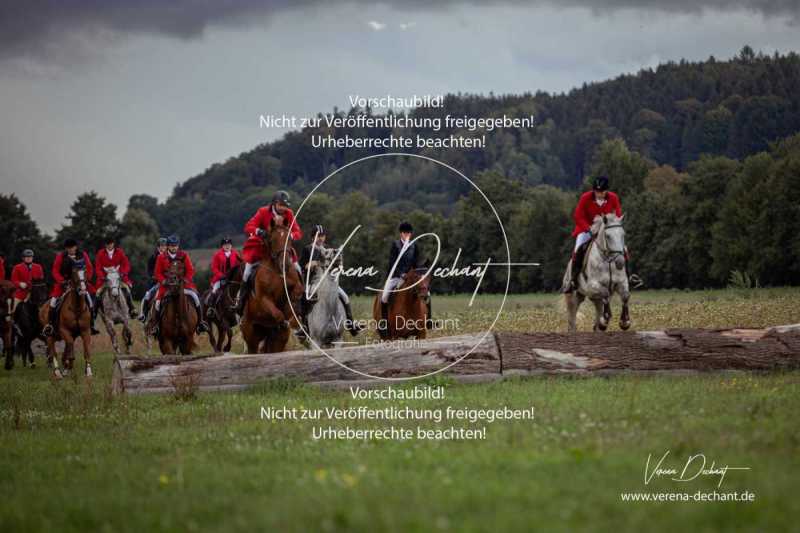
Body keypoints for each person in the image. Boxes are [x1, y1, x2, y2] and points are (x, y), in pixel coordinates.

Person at [233, 190, 303, 315]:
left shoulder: (289, 213)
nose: (284, 209)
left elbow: (298, 232)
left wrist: (290, 235)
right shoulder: (263, 212)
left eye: (285, 206)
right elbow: (248, 227)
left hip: (282, 251)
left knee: (297, 268)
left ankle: (304, 298)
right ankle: (240, 302)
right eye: (281, 205)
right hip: (262, 249)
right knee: (247, 272)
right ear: (275, 203)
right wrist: (259, 231)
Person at [563, 175, 623, 293]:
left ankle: (629, 277)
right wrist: (588, 229)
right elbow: (578, 216)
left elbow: (618, 214)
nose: (599, 194)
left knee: (622, 249)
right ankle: (573, 280)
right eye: (597, 191)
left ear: (607, 191)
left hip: (606, 230)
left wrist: (613, 226)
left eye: (602, 192)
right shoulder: (585, 197)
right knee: (578, 249)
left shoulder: (613, 198)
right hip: (587, 229)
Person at [299, 225, 361, 337]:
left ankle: (351, 324)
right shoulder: (307, 249)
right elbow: (302, 267)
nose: (321, 239)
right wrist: (311, 264)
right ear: (313, 237)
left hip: (328, 281)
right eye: (318, 236)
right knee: (305, 297)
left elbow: (336, 265)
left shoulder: (329, 249)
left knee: (345, 297)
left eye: (322, 236)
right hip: (314, 281)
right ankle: (304, 327)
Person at [148, 235, 209, 333]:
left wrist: (185, 279)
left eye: (175, 245)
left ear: (178, 246)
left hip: (183, 285)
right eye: (172, 245)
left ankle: (200, 323)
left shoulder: (183, 255)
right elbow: (157, 273)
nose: (174, 247)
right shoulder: (161, 257)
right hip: (166, 286)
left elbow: (190, 270)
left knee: (195, 297)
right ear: (168, 246)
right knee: (157, 302)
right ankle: (155, 325)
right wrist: (163, 281)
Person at [43, 238, 99, 336]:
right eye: (68, 248)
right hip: (64, 284)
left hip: (81, 283)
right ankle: (50, 325)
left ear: (76, 247)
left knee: (90, 301)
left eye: (72, 247)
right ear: (66, 248)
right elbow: (55, 271)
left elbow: (89, 268)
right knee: (53, 302)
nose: (70, 249)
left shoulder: (83, 255)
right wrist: (62, 281)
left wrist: (86, 280)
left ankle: (92, 324)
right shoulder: (61, 256)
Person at [378, 222, 422, 332]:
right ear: (401, 234)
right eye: (405, 233)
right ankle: (384, 323)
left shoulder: (414, 246)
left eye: (409, 233)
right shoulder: (395, 245)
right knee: (384, 297)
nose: (407, 235)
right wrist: (401, 274)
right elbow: (393, 263)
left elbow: (416, 263)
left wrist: (418, 274)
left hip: (411, 278)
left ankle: (429, 321)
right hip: (396, 276)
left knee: (427, 294)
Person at [95, 236, 136, 318]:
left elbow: (126, 264)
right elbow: (97, 267)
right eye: (108, 244)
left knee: (127, 290)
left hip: (118, 278)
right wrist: (102, 276)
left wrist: (123, 273)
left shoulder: (119, 252)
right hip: (106, 279)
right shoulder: (100, 253)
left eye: (111, 244)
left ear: (113, 244)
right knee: (98, 293)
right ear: (105, 245)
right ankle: (95, 312)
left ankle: (132, 309)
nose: (110, 246)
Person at [205, 237, 240, 314]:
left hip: (232, 279)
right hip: (220, 279)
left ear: (231, 245)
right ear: (222, 246)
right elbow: (214, 268)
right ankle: (211, 308)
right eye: (225, 245)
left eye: (228, 244)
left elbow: (239, 265)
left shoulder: (236, 254)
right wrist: (221, 275)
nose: (227, 246)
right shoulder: (217, 255)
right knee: (214, 291)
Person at [138, 237, 167, 322]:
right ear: (158, 247)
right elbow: (149, 270)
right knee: (147, 295)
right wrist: (153, 276)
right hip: (155, 281)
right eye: (161, 246)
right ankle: (143, 314)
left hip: (167, 281)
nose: (163, 248)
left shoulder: (168, 257)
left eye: (165, 246)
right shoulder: (153, 257)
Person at [10, 249, 45, 315]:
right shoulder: (17, 267)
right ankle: (13, 322)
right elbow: (13, 280)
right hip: (21, 293)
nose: (29, 258)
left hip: (35, 294)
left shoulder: (38, 267)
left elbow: (41, 279)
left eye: (30, 257)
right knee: (14, 310)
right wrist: (20, 283)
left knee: (42, 311)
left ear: (32, 258)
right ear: (23, 258)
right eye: (27, 257)